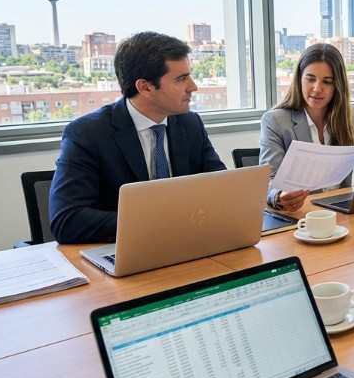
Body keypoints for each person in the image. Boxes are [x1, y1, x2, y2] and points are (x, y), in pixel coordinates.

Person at [50, 32, 227, 244]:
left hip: (187, 243)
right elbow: (68, 220)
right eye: (181, 79)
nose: (193, 87)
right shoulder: (88, 134)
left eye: (189, 75)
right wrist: (159, 223)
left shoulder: (190, 124)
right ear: (145, 87)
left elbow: (221, 189)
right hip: (127, 249)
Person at [259, 43, 354, 212]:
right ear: (299, 79)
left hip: (342, 214)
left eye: (327, 82)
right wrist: (279, 196)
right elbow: (268, 181)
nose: (317, 88)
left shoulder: (349, 115)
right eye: (311, 79)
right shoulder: (275, 121)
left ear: (338, 86)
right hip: (302, 216)